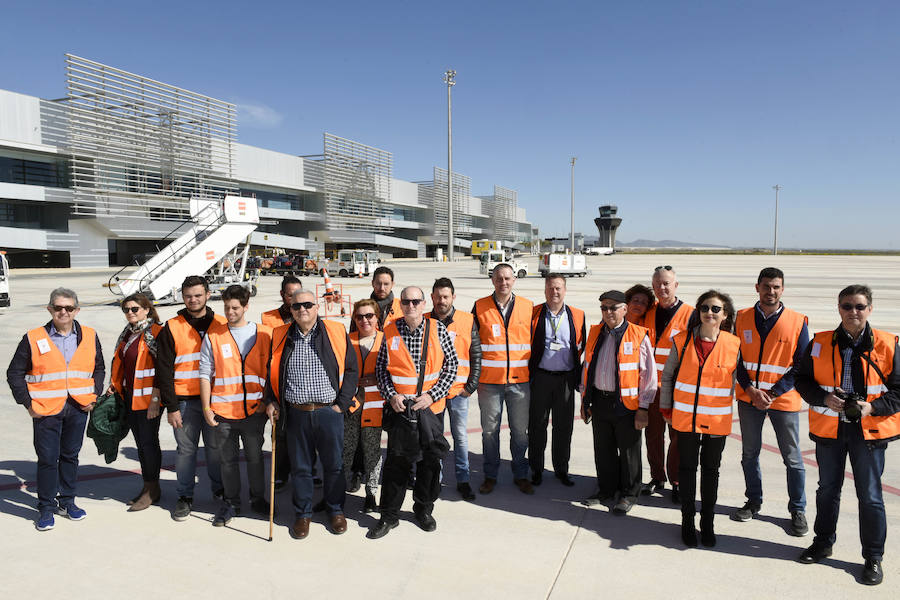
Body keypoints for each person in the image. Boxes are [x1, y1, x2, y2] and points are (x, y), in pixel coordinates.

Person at [794, 285, 900, 586]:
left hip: (869, 431)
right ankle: (823, 542)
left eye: (859, 306)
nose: (853, 312)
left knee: (870, 495)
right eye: (847, 306)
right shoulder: (820, 342)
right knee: (827, 488)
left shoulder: (888, 343)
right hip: (830, 429)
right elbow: (801, 380)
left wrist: (872, 407)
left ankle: (873, 557)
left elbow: (899, 391)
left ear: (870, 309)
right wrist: (823, 398)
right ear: (838, 308)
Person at [7, 287, 105, 531]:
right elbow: (14, 373)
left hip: (78, 407)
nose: (64, 311)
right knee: (48, 460)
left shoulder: (90, 335)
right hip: (45, 409)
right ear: (49, 309)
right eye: (58, 307)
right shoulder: (33, 337)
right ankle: (46, 507)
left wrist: (94, 395)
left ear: (76, 310)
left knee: (70, 456)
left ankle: (68, 502)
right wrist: (28, 404)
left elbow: (99, 368)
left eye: (69, 308)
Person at [265, 288, 358, 540]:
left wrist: (341, 403)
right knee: (301, 468)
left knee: (334, 466)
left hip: (329, 411)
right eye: (296, 306)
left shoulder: (336, 331)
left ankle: (336, 510)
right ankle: (302, 514)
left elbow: (351, 369)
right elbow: (271, 372)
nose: (302, 309)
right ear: (291, 310)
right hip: (297, 413)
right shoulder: (280, 335)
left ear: (316, 307)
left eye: (307, 305)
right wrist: (271, 401)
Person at [368, 286, 458, 538]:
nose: (411, 306)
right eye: (406, 302)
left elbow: (452, 366)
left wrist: (432, 396)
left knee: (429, 463)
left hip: (430, 411)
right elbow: (382, 371)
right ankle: (389, 515)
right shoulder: (390, 331)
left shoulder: (438, 329)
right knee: (397, 463)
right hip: (400, 410)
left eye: (415, 301)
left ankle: (423, 509)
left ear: (423, 303)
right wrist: (391, 395)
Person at [731, 268, 810, 536]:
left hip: (783, 400)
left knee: (792, 458)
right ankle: (753, 501)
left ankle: (797, 509)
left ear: (782, 289)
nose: (771, 291)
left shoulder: (797, 321)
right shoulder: (741, 318)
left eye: (776, 287)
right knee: (749, 454)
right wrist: (751, 390)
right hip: (749, 398)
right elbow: (735, 358)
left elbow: (801, 365)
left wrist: (773, 393)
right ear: (757, 288)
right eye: (766, 286)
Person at [660, 290, 740, 548]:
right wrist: (666, 407)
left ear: (725, 315)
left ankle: (707, 524)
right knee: (687, 471)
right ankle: (687, 522)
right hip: (685, 420)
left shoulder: (733, 345)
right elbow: (668, 376)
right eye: (705, 307)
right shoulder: (681, 341)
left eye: (716, 309)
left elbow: (738, 380)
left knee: (710, 473)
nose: (710, 313)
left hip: (716, 422)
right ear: (698, 311)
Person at [200, 285, 272, 527]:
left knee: (255, 458)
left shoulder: (263, 334)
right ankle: (231, 503)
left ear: (246, 307)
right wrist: (207, 408)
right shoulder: (214, 336)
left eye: (234, 307)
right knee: (227, 461)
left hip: (254, 411)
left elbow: (272, 372)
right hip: (223, 412)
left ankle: (257, 498)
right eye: (226, 307)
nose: (229, 312)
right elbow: (204, 374)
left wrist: (267, 402)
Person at [156, 276, 226, 522]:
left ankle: (220, 491)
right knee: (186, 451)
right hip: (184, 401)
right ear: (182, 297)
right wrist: (171, 406)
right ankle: (185, 496)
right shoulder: (172, 326)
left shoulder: (221, 323)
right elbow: (163, 370)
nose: (193, 300)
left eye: (198, 295)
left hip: (216, 400)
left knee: (216, 449)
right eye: (188, 296)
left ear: (208, 294)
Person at [580, 290, 657, 514]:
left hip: (627, 405)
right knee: (603, 450)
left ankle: (629, 494)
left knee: (629, 453)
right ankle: (605, 490)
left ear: (624, 309)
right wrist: (585, 401)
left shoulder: (638, 335)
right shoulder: (595, 332)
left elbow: (649, 375)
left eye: (613, 307)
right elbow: (587, 368)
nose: (608, 312)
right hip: (600, 402)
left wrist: (644, 407)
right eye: (604, 307)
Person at [473, 263, 534, 495]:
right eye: (499, 278)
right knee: (490, 431)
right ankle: (490, 475)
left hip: (520, 382)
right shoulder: (480, 306)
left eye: (508, 278)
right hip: (490, 383)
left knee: (520, 432)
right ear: (493, 280)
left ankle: (520, 474)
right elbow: (473, 345)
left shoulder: (528, 307)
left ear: (514, 280)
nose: (503, 282)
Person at [426, 277, 482, 501]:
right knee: (434, 438)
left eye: (446, 296)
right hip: (433, 394)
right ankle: (436, 480)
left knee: (460, 437)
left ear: (453, 298)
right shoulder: (424, 321)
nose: (442, 300)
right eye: (438, 296)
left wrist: (471, 386)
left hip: (459, 392)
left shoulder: (467, 320)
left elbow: (476, 354)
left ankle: (463, 479)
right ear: (432, 298)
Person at [642, 265, 694, 502]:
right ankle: (657, 476)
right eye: (657, 284)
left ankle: (676, 480)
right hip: (650, 388)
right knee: (653, 436)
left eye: (666, 283)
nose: (662, 288)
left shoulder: (690, 315)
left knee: (677, 438)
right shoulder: (647, 312)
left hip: (675, 390)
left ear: (676, 285)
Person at [528, 273, 585, 487]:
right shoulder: (533, 314)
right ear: (545, 290)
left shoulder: (578, 315)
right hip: (541, 378)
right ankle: (536, 469)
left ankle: (562, 469)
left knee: (563, 427)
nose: (555, 292)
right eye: (551, 288)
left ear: (565, 290)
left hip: (565, 381)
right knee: (537, 426)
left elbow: (581, 347)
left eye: (558, 288)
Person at [108, 293, 163, 512]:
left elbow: (163, 369)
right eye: (126, 309)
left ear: (147, 309)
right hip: (130, 397)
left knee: (149, 444)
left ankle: (152, 489)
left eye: (135, 309)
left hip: (149, 399)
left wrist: (156, 400)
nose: (130, 313)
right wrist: (116, 384)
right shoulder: (129, 333)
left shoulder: (155, 333)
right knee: (141, 445)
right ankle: (147, 485)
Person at [344, 299, 386, 513]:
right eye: (359, 316)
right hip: (350, 407)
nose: (364, 320)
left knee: (372, 453)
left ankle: (371, 493)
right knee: (345, 451)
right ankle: (338, 492)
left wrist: (375, 380)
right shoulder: (346, 340)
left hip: (375, 407)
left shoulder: (386, 340)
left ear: (377, 317)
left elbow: (395, 371)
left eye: (369, 315)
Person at [260, 275, 301, 490]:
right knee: (281, 433)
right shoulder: (268, 318)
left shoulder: (307, 312)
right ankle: (281, 472)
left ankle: (308, 471)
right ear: (282, 295)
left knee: (305, 433)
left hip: (302, 379)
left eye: (297, 293)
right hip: (279, 380)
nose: (294, 298)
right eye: (290, 294)